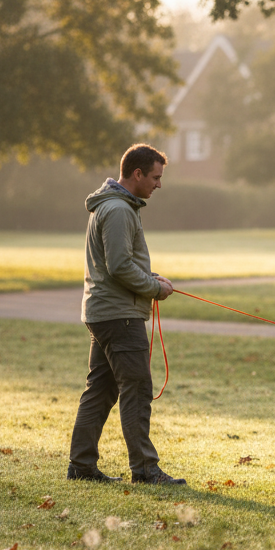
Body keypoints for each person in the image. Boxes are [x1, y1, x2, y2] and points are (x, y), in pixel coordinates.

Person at [67, 144, 185, 485]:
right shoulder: (118, 210)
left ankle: (82, 466)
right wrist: (153, 288)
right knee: (136, 388)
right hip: (120, 315)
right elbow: (118, 266)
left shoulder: (112, 206)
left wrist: (151, 278)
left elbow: (118, 262)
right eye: (155, 177)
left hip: (104, 311)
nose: (158, 184)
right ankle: (145, 470)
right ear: (137, 174)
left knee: (100, 389)